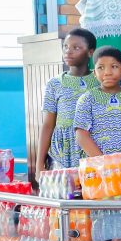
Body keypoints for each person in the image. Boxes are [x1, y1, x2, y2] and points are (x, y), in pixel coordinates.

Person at [36, 28, 98, 175]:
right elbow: (48, 124)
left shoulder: (100, 81)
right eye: (65, 46)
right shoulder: (54, 84)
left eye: (76, 48)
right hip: (62, 153)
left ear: (90, 52)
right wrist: (39, 164)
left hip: (92, 149)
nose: (68, 51)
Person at [74, 46, 121, 157]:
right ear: (94, 72)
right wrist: (104, 162)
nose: (108, 72)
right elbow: (81, 135)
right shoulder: (87, 99)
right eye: (101, 67)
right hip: (99, 165)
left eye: (114, 66)